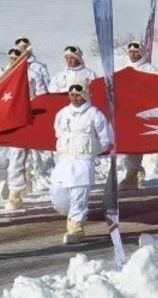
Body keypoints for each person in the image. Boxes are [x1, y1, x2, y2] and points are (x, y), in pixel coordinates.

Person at [50, 82, 112, 243]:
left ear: (84, 95)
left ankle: (76, 227)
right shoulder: (62, 114)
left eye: (78, 95)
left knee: (79, 195)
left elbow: (105, 140)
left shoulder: (95, 114)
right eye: (71, 95)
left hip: (83, 162)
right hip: (64, 161)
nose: (75, 98)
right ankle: (72, 214)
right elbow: (58, 133)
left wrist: (91, 151)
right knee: (58, 195)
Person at [3, 43, 50, 210]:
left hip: (31, 116)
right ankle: (15, 191)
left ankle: (25, 183)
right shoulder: (4, 75)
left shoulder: (34, 72)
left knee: (32, 154)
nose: (14, 61)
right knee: (14, 155)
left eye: (18, 58)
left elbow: (42, 95)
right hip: (12, 118)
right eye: (12, 58)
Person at [118, 42, 156, 190]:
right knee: (128, 142)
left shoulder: (150, 69)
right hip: (127, 111)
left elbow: (156, 88)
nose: (133, 55)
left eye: (136, 52)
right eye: (131, 52)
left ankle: (133, 172)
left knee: (138, 143)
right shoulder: (123, 69)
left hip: (143, 111)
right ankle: (132, 171)